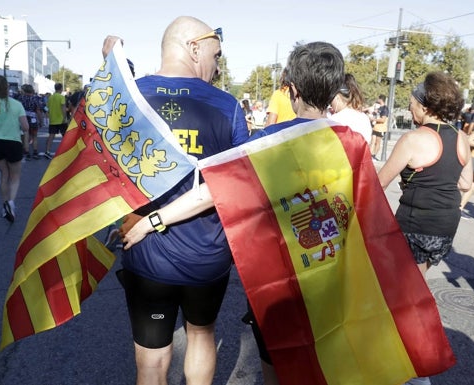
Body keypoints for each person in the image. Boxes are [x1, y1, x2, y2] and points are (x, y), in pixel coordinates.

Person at [120, 40, 346, 385]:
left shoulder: (269, 141)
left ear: (293, 90)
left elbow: (217, 190)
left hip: (280, 276)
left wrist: (153, 219)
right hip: (329, 270)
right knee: (321, 361)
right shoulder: (352, 141)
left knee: (274, 362)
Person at [102, 16, 249, 385]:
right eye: (216, 55)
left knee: (150, 362)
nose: (217, 67)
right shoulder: (228, 107)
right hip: (207, 258)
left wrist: (111, 67)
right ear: (194, 48)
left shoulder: (130, 98)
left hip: (145, 252)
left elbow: (105, 169)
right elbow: (231, 186)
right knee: (201, 336)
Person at [378, 71, 472, 385]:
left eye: (413, 105)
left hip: (414, 227)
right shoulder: (460, 138)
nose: (411, 111)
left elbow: (380, 182)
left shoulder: (413, 138)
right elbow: (466, 183)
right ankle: (407, 364)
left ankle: (413, 370)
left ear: (426, 105)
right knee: (412, 288)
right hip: (445, 229)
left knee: (402, 298)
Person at [0, 75, 29, 223]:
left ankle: (4, 206)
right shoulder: (16, 104)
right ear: (7, 88)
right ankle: (11, 203)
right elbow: (26, 127)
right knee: (15, 177)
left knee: (4, 176)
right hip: (13, 142)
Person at [329, 73, 372, 143]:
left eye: (331, 98)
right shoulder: (364, 118)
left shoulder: (334, 120)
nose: (330, 103)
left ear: (337, 97)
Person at [17, 84, 44, 160]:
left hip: (24, 118)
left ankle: (27, 152)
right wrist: (41, 121)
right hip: (33, 118)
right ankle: (35, 152)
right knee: (34, 136)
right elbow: (38, 110)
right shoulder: (35, 98)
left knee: (26, 135)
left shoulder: (21, 98)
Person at [44, 82, 66, 159]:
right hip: (61, 120)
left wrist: (47, 116)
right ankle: (66, 152)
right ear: (61, 89)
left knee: (51, 136)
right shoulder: (61, 97)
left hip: (52, 119)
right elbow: (63, 108)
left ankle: (47, 151)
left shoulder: (50, 97)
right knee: (66, 136)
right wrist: (64, 117)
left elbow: (46, 108)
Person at [369, 94, 389, 160]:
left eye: (378, 99)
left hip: (381, 128)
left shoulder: (385, 109)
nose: (377, 100)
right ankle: (369, 155)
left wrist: (374, 119)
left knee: (377, 142)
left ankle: (374, 156)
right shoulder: (378, 107)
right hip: (375, 127)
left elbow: (383, 120)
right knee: (372, 141)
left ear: (381, 99)